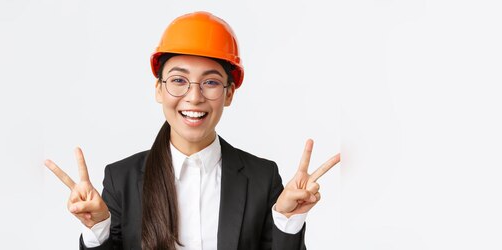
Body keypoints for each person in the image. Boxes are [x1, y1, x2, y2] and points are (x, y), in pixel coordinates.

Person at [45, 11, 340, 250]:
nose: (194, 97)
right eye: (178, 80)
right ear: (159, 89)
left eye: (210, 82)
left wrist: (288, 221)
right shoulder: (122, 179)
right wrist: (98, 232)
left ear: (229, 94)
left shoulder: (262, 178)